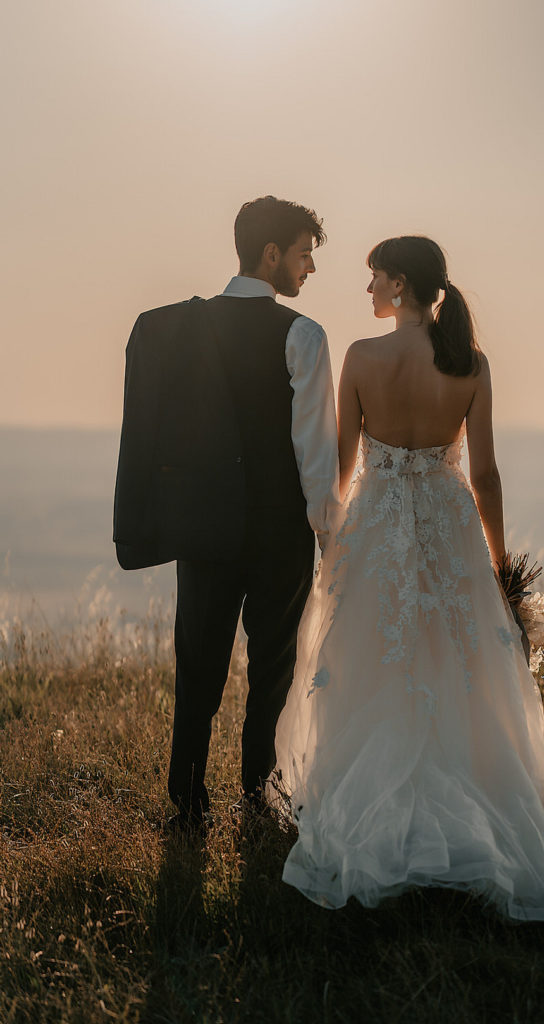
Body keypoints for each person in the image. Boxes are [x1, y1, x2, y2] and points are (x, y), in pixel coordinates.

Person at [270, 235, 544, 925]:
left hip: (376, 529)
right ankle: (474, 798)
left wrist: (330, 545)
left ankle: (377, 813)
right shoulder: (470, 361)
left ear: (398, 284)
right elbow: (484, 474)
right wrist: (496, 560)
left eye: (373, 278)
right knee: (456, 663)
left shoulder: (363, 358)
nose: (366, 290)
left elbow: (339, 471)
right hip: (450, 524)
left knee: (377, 662)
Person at [114, 196, 339, 831]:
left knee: (199, 664)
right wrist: (331, 537)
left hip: (204, 528)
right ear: (272, 255)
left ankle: (185, 801)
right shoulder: (304, 334)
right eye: (303, 255)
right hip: (279, 531)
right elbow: (314, 454)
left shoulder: (177, 329)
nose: (309, 270)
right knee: (272, 669)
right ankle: (256, 798)